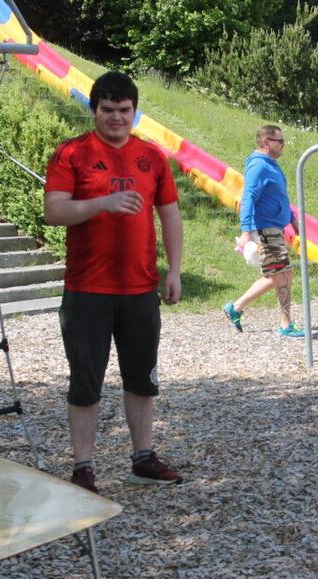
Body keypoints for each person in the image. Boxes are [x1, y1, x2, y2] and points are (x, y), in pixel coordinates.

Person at [44, 71, 185, 491]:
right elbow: (54, 210)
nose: (117, 118)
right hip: (87, 288)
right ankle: (83, 468)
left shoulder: (153, 156)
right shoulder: (72, 153)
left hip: (141, 288)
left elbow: (171, 215)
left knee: (143, 378)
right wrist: (104, 202)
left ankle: (143, 458)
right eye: (108, 110)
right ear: (94, 110)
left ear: (134, 112)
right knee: (85, 380)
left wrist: (174, 269)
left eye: (124, 110)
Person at [223, 125, 304, 338]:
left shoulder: (271, 165)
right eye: (279, 141)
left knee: (282, 274)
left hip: (274, 227)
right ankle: (241, 308)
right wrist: (247, 232)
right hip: (265, 228)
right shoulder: (258, 166)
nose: (283, 144)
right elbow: (248, 197)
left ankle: (280, 320)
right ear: (266, 142)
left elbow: (278, 197)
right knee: (278, 275)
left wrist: (291, 219)